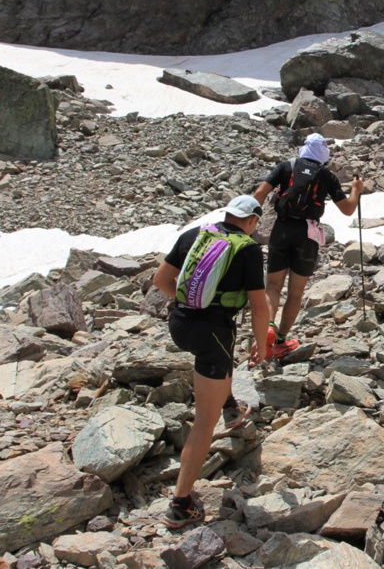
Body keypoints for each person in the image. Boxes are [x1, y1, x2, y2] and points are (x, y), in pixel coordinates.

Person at [151, 194, 270, 529]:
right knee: (205, 418)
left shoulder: (195, 234)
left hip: (180, 324)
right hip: (212, 332)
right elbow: (259, 307)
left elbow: (161, 281)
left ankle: (230, 403)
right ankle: (181, 504)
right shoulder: (247, 248)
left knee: (218, 357)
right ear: (250, 221)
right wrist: (261, 345)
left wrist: (192, 303)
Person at [253, 134, 363, 358]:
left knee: (273, 287)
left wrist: (249, 221)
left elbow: (259, 193)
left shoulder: (286, 167)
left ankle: (268, 329)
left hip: (282, 229)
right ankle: (281, 341)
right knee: (295, 292)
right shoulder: (327, 176)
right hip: (308, 234)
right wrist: (356, 189)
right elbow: (348, 209)